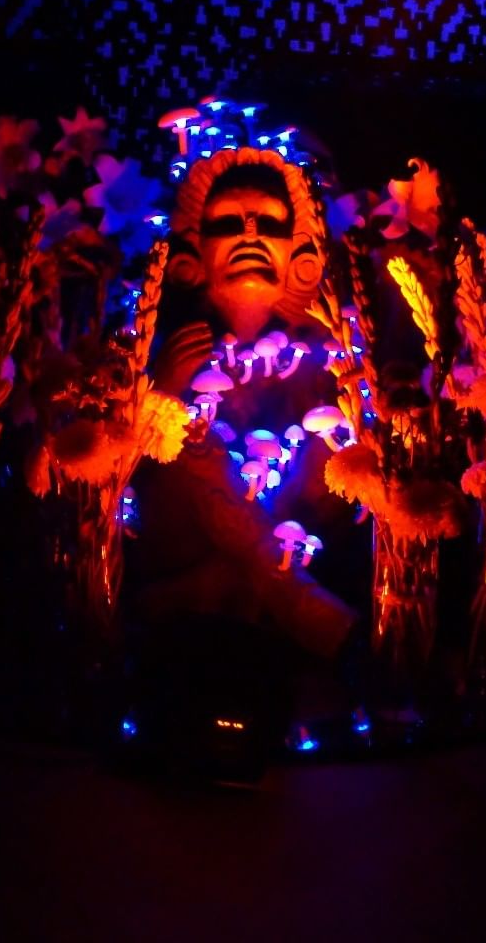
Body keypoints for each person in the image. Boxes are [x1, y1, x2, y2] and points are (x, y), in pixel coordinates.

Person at [131, 147, 362, 659]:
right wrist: (161, 393)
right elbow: (127, 482)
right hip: (182, 626)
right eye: (228, 223)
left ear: (298, 252)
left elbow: (331, 504)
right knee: (194, 442)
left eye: (270, 224)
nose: (250, 235)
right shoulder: (157, 351)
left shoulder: (325, 363)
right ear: (195, 251)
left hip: (270, 620)